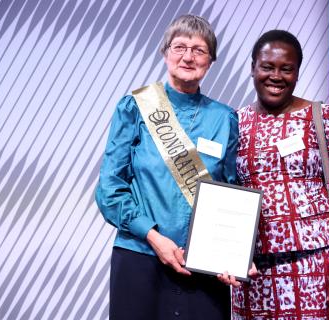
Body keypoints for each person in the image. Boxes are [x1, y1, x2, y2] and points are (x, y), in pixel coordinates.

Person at [95, 14, 239, 320]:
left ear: (211, 60)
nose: (188, 56)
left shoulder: (225, 119)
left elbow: (231, 192)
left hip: (203, 268)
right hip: (140, 257)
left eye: (199, 50)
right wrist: (154, 237)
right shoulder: (134, 106)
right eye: (179, 47)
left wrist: (232, 254)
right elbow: (109, 190)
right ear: (165, 53)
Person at [231, 30, 329, 319]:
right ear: (253, 68)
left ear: (297, 73)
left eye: (286, 69)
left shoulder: (323, 116)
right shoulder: (235, 122)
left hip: (316, 269)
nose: (275, 76)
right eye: (267, 66)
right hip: (253, 275)